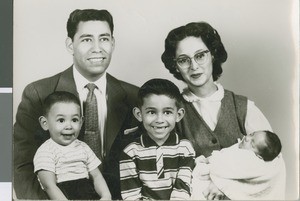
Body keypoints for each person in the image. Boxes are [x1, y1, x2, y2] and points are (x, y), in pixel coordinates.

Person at [14, 9, 139, 199]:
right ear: (70, 45)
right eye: (87, 39)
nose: (97, 48)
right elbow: (21, 165)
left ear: (113, 43)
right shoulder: (38, 93)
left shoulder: (134, 95)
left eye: (104, 39)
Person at [161, 21, 283, 199]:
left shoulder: (243, 107)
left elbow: (274, 166)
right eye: (183, 60)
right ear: (176, 65)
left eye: (200, 55)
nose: (194, 66)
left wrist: (225, 186)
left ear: (213, 55)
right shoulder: (171, 113)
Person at [119, 78, 195, 200]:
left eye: (167, 112)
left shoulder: (185, 148)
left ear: (178, 115)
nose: (159, 120)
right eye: (151, 112)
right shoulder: (130, 152)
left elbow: (182, 189)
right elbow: (131, 195)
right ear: (139, 114)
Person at [33, 91, 111, 200]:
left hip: (88, 194)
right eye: (61, 120)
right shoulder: (45, 151)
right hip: (62, 195)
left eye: (74, 120)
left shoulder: (83, 147)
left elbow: (97, 176)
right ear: (45, 123)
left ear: (81, 122)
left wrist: (106, 196)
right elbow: (49, 186)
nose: (69, 126)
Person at [191, 130, 286, 200]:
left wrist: (213, 161)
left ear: (259, 156)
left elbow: (224, 167)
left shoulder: (250, 159)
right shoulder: (241, 146)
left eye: (252, 144)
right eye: (252, 134)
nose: (247, 138)